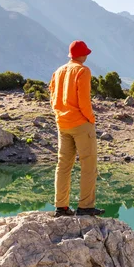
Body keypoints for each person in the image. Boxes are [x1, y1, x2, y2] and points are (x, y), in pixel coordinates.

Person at [49, 40, 104, 217]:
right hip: (80, 124)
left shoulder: (58, 71)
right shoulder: (83, 71)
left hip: (62, 124)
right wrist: (91, 119)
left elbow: (52, 95)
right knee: (88, 165)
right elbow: (84, 101)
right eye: (86, 52)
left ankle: (61, 207)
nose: (87, 55)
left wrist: (59, 115)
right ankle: (85, 207)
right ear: (81, 54)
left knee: (63, 165)